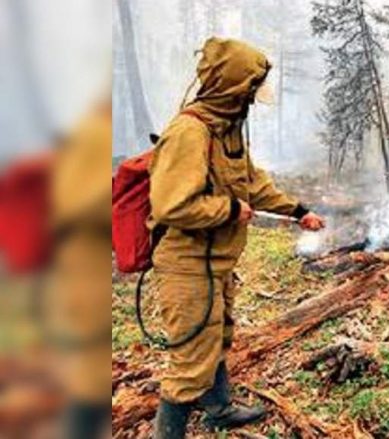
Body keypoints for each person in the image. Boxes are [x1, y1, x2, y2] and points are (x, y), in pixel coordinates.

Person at [148, 37, 325, 438]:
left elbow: (251, 182)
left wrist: (298, 211)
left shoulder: (225, 129)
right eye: (250, 89)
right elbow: (170, 206)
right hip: (188, 266)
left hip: (217, 263)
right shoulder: (189, 133)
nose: (252, 99)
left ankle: (219, 410)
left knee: (218, 337)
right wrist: (229, 210)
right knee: (190, 361)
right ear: (234, 88)